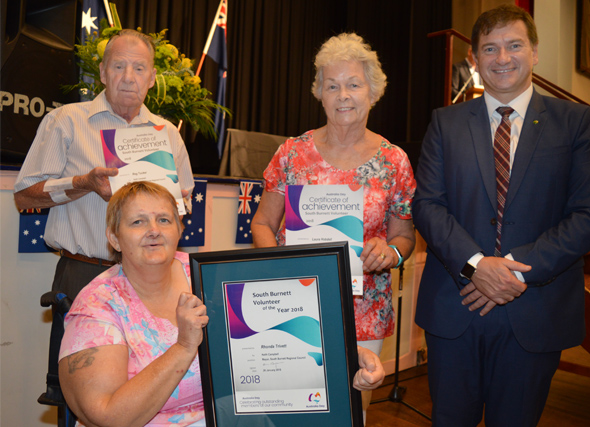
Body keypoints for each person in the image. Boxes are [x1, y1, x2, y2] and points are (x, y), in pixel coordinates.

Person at [412, 5, 590, 427]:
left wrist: (511, 271)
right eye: (490, 48)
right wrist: (476, 266)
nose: (502, 58)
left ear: (534, 52)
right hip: (455, 307)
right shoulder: (445, 123)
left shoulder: (575, 123)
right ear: (474, 58)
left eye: (514, 45)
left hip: (535, 311)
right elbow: (427, 205)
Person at [58, 181, 386, 426]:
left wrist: (349, 354)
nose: (153, 231)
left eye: (164, 220)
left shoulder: (208, 274)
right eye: (137, 222)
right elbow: (108, 417)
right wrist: (184, 347)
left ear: (180, 229)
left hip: (226, 415)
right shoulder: (98, 306)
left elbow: (277, 328)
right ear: (114, 238)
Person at [251, 33, 416, 422]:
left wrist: (390, 253)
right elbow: (261, 224)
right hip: (294, 306)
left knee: (350, 414)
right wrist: (281, 265)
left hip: (365, 311)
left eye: (353, 85)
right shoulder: (292, 153)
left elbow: (404, 237)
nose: (343, 95)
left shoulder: (394, 161)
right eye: (332, 85)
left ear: (372, 92)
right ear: (319, 94)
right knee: (292, 411)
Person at [13, 29, 194, 301]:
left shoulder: (168, 133)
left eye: (139, 68)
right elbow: (24, 197)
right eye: (119, 66)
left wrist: (175, 204)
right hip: (84, 273)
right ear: (102, 72)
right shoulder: (66, 121)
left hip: (151, 277)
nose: (129, 77)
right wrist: (83, 184)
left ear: (152, 78)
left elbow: (182, 210)